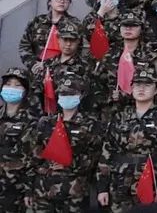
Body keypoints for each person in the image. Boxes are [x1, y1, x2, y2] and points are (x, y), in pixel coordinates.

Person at [97, 66, 157, 209]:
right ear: (132, 88)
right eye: (138, 84)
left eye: (147, 85)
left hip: (150, 181)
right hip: (119, 183)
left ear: (156, 90)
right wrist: (102, 187)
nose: (141, 89)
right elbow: (107, 151)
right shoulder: (120, 116)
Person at [27, 74, 102, 213]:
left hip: (74, 191)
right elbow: (34, 156)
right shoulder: (46, 123)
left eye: (71, 94)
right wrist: (28, 189)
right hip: (44, 190)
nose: (66, 97)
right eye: (63, 94)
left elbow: (95, 156)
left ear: (80, 95)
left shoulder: (90, 124)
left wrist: (70, 163)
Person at [19, 0, 78, 68]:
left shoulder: (75, 24)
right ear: (50, 1)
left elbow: (80, 49)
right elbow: (24, 46)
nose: (62, 1)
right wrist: (33, 64)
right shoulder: (37, 22)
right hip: (37, 69)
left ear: (70, 2)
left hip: (64, 70)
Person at [0, 66, 34, 208]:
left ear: (25, 91)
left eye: (17, 85)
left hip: (14, 188)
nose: (11, 88)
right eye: (8, 84)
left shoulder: (30, 121)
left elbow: (32, 159)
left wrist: (29, 190)